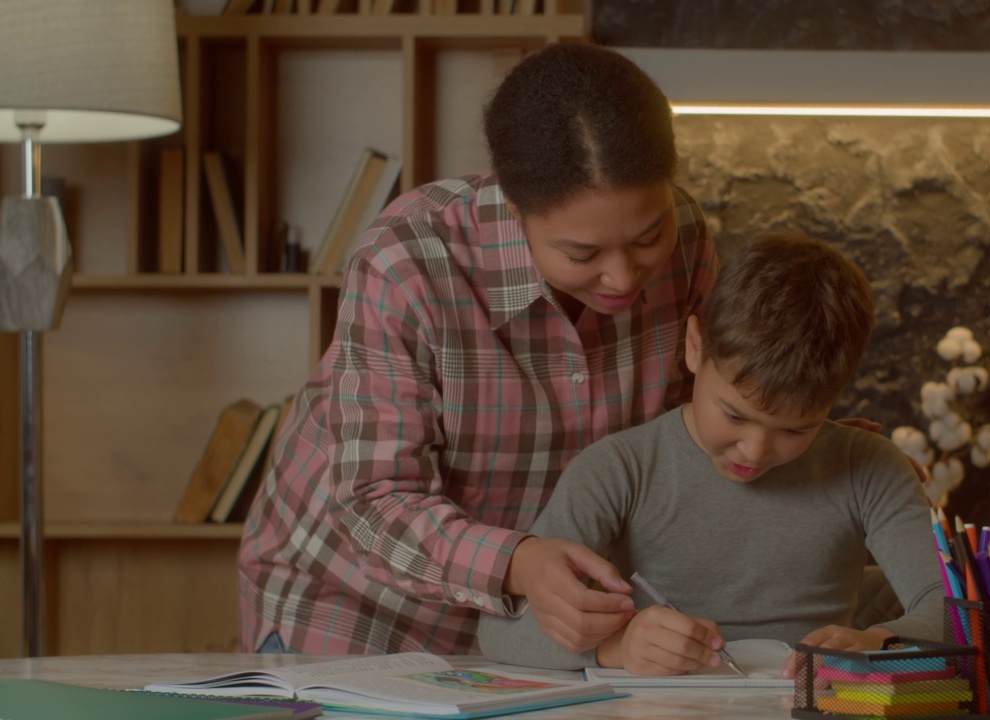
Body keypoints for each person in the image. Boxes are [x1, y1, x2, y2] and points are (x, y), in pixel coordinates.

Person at [236, 42, 718, 655]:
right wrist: (519, 562)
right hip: (352, 599)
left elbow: (688, 429)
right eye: (582, 254)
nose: (623, 277)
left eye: (648, 237)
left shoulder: (691, 238)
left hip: (539, 619)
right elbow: (375, 503)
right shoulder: (406, 260)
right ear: (515, 209)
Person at [476, 231, 945, 677]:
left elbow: (953, 608)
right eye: (735, 415)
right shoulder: (618, 470)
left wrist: (880, 644)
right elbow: (500, 632)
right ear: (695, 347)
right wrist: (619, 647)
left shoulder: (869, 467)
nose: (755, 451)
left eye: (795, 428)